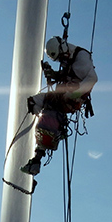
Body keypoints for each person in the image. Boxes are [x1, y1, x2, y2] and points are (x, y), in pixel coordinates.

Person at [20, 36, 98, 175]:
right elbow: (68, 75)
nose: (62, 61)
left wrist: (76, 92)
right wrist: (54, 74)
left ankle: (40, 154)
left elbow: (92, 78)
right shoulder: (70, 57)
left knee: (51, 109)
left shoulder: (81, 58)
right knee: (33, 102)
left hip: (71, 98)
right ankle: (50, 130)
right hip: (62, 95)